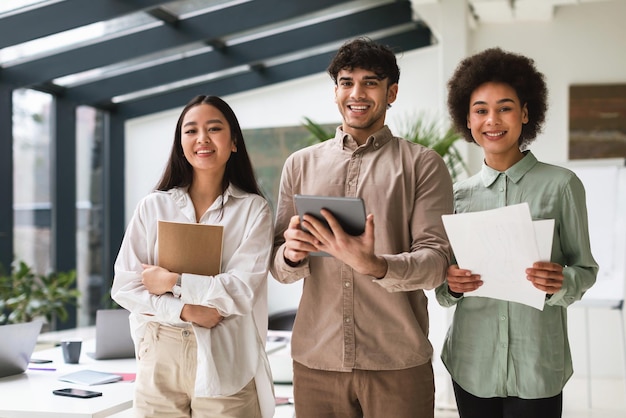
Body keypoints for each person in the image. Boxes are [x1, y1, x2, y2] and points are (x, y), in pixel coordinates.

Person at [270, 37, 454, 418]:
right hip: (316, 362)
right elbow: (277, 265)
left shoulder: (423, 165)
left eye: (370, 82)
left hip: (396, 361)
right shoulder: (299, 165)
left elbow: (436, 262)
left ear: (392, 93)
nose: (357, 93)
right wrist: (290, 253)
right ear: (335, 90)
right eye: (346, 81)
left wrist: (376, 265)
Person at [435, 48, 599, 418]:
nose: (492, 120)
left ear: (525, 113)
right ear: (468, 118)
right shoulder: (457, 195)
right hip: (471, 362)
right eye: (480, 110)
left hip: (537, 363)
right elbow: (443, 291)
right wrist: (452, 284)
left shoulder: (562, 185)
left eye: (505, 107)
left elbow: (584, 270)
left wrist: (559, 280)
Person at [111, 95, 275, 418]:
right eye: (191, 131)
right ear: (180, 143)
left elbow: (240, 292)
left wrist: (172, 281)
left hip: (225, 357)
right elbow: (126, 286)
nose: (202, 139)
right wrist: (185, 309)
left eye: (214, 129)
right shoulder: (154, 207)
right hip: (160, 354)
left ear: (234, 143)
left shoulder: (254, 210)